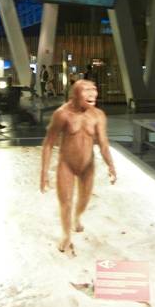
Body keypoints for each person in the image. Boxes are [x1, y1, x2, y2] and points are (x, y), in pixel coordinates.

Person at [40, 79, 116, 255]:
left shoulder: (98, 115)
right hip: (66, 164)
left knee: (84, 200)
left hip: (87, 164)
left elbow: (103, 144)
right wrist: (44, 174)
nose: (92, 94)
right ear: (75, 94)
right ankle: (66, 235)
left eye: (94, 89)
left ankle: (77, 217)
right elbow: (48, 144)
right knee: (65, 202)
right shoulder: (62, 114)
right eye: (86, 90)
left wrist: (111, 165)